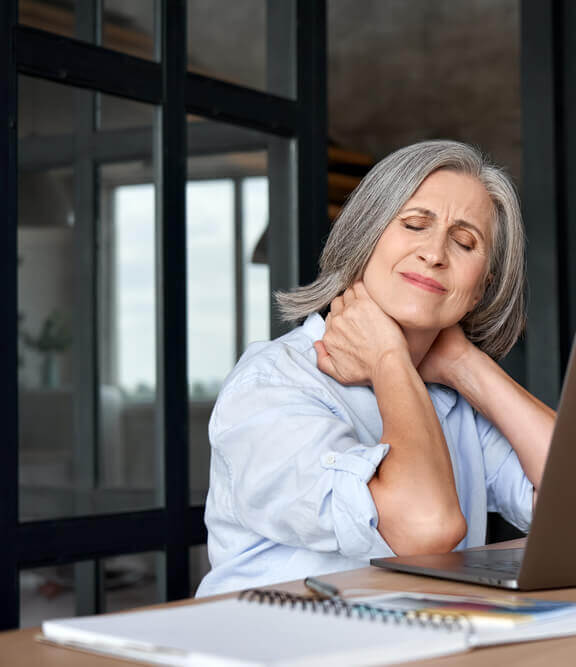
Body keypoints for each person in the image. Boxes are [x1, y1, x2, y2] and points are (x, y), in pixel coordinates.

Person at [196, 140, 555, 596]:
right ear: (364, 238)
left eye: (465, 242)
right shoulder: (274, 383)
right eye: (414, 224)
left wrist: (469, 366)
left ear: (483, 286)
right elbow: (425, 526)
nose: (435, 253)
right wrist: (389, 358)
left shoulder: (453, 397)